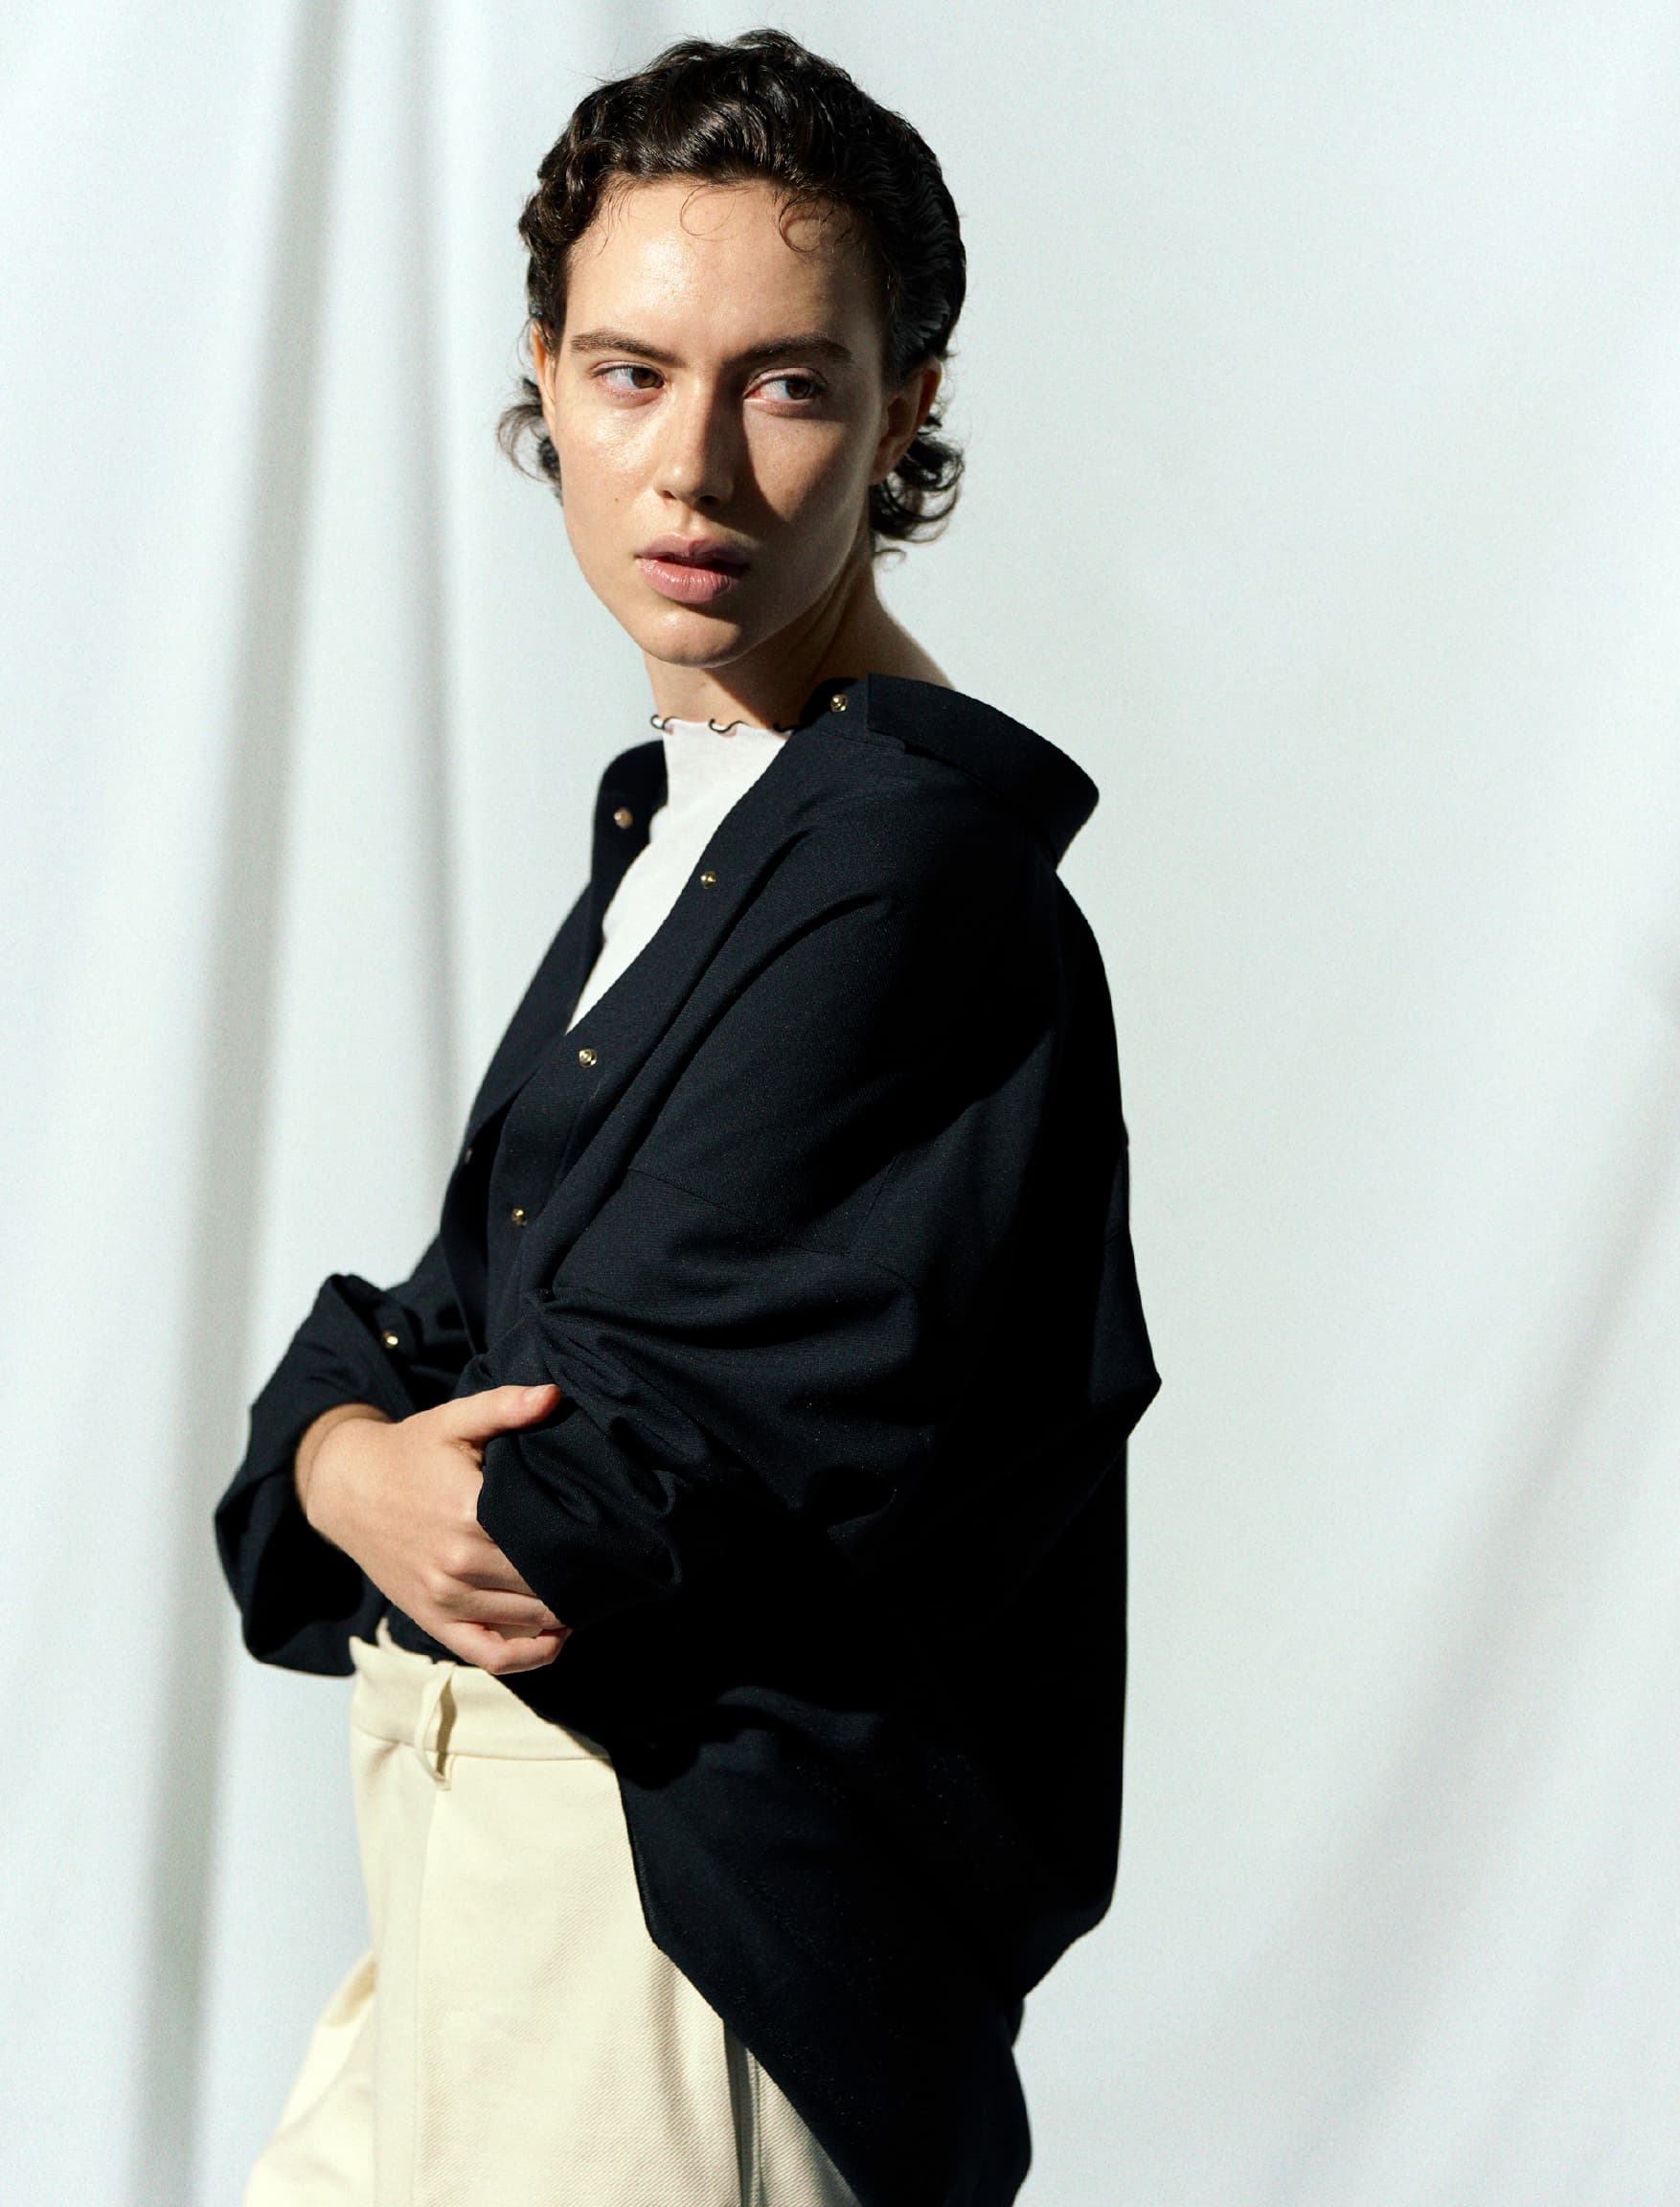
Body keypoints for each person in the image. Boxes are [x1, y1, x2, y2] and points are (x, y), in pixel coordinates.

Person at [214, 27, 1160, 2207]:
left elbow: (575, 1502)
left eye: (787, 384)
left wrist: (368, 1457)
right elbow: (417, 1355)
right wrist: (342, 1458)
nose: (695, 468)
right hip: (485, 1901)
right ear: (543, 381)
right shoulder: (699, 823)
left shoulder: (899, 881)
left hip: (672, 1944)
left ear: (903, 408)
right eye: (632, 374)